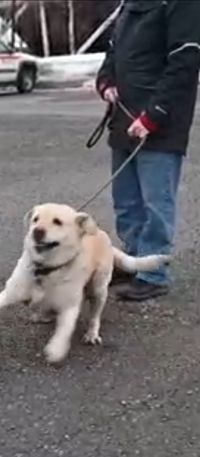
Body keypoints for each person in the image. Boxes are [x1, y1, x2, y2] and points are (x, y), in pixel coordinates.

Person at [95, 0, 200, 301]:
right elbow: (113, 52)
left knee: (156, 202)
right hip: (124, 117)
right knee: (126, 201)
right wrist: (106, 81)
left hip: (160, 122)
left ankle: (153, 273)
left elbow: (185, 60)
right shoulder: (129, 5)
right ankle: (132, 261)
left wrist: (154, 113)